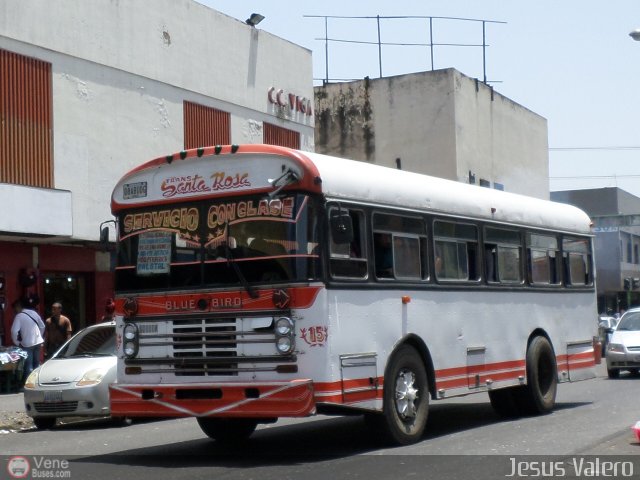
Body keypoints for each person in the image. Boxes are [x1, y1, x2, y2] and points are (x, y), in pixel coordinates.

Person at [11, 296, 45, 385]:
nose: (14, 310)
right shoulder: (33, 313)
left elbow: (14, 331)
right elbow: (42, 326)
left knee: (28, 365)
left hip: (27, 344)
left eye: (15, 308)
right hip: (38, 342)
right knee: (36, 364)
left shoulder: (19, 316)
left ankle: (29, 385)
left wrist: (17, 342)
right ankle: (38, 383)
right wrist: (39, 336)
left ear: (18, 306)